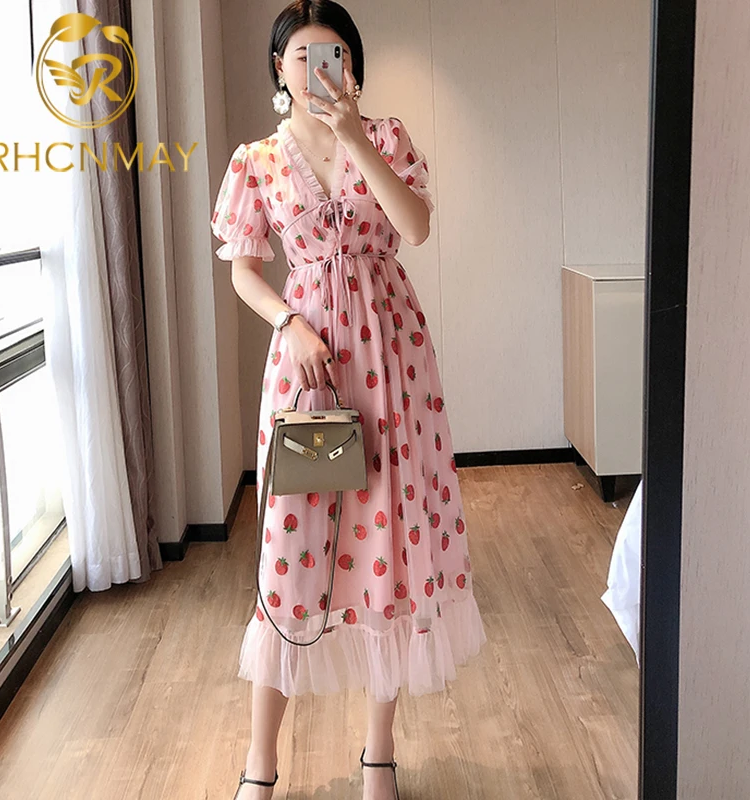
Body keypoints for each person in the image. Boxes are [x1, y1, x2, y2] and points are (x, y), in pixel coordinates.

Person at [210, 2, 487, 798]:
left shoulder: (387, 138)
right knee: (289, 554)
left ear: (352, 66)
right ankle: (260, 765)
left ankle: (379, 755)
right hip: (308, 369)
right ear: (279, 68)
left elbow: (416, 229)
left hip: (393, 365)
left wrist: (357, 138)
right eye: (300, 56)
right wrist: (289, 322)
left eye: (331, 54)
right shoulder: (257, 161)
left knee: (387, 550)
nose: (315, 69)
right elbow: (243, 271)